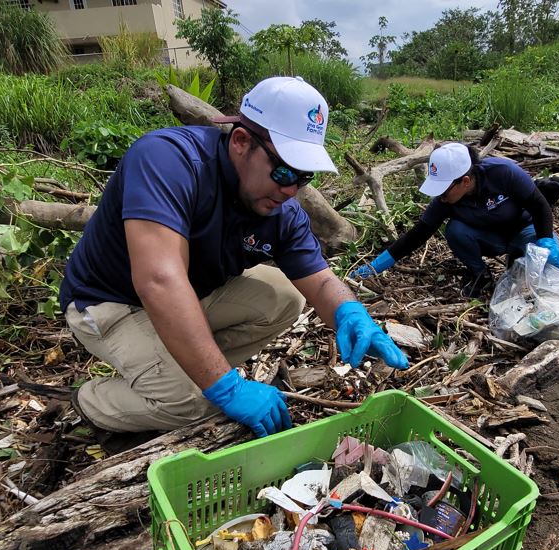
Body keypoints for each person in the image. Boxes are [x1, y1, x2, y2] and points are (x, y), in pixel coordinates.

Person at [60, 76, 409, 439]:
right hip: (111, 303)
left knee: (286, 297)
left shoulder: (281, 209)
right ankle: (92, 400)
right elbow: (159, 281)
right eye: (284, 170)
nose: (291, 190)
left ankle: (184, 366)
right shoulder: (169, 160)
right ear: (241, 141)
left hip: (191, 295)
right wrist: (226, 387)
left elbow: (320, 280)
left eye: (303, 177)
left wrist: (349, 313)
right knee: (193, 403)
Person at [352, 142, 559, 298]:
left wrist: (545, 240)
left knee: (549, 262)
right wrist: (374, 267)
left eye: (444, 190)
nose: (441, 197)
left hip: (523, 231)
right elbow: (417, 235)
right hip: (490, 239)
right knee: (455, 230)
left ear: (464, 181)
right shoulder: (446, 201)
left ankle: (519, 260)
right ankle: (480, 275)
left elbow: (539, 206)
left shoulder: (504, 173)